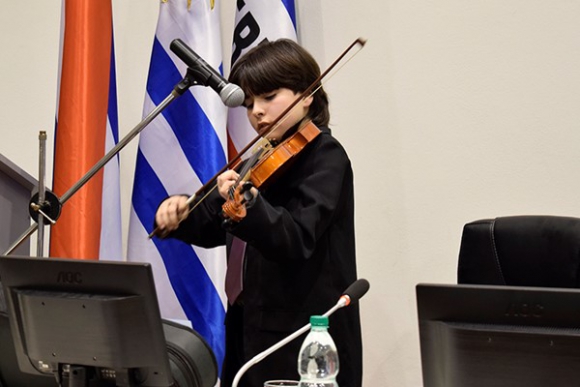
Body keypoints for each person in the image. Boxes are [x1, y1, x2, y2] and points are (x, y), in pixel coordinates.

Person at [155, 39, 363, 387]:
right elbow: (214, 227)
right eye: (250, 103)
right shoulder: (261, 156)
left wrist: (247, 201)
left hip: (300, 338)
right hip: (246, 323)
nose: (257, 112)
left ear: (307, 94)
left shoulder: (325, 157)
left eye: (269, 97)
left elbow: (295, 238)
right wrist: (179, 214)